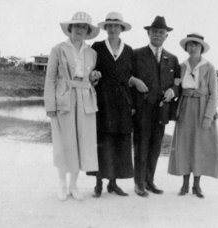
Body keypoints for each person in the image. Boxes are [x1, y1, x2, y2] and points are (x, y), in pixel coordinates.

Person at [44, 12, 101, 201]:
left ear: (88, 31)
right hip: (64, 99)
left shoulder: (92, 53)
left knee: (81, 143)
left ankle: (74, 185)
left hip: (85, 101)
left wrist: (94, 78)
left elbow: (89, 79)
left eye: (83, 27)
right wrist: (50, 105)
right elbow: (51, 78)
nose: (79, 30)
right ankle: (61, 184)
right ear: (70, 28)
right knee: (64, 142)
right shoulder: (58, 49)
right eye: (76, 26)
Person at [130, 16, 180, 197]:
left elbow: (178, 84)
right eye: (155, 31)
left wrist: (173, 92)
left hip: (162, 110)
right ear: (148, 33)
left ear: (166, 36)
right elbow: (126, 78)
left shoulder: (172, 59)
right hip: (142, 109)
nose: (158, 35)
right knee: (141, 145)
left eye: (161, 32)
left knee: (155, 147)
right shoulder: (136, 54)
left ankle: (150, 181)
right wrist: (134, 81)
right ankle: (139, 183)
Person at [85, 12, 134, 197]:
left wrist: (132, 103)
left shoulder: (129, 50)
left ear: (122, 29)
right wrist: (94, 74)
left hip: (122, 102)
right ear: (106, 28)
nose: (113, 29)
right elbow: (89, 69)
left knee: (119, 142)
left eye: (116, 26)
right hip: (102, 100)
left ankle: (113, 183)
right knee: (102, 141)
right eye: (110, 26)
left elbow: (130, 76)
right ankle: (98, 182)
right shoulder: (97, 47)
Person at [168, 33, 218, 198]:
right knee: (185, 145)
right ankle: (184, 184)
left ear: (202, 48)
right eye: (189, 45)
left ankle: (196, 185)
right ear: (186, 48)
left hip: (202, 107)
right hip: (185, 107)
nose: (192, 48)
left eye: (196, 45)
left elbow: (214, 94)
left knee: (200, 146)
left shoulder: (209, 67)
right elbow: (176, 87)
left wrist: (208, 116)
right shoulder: (181, 66)